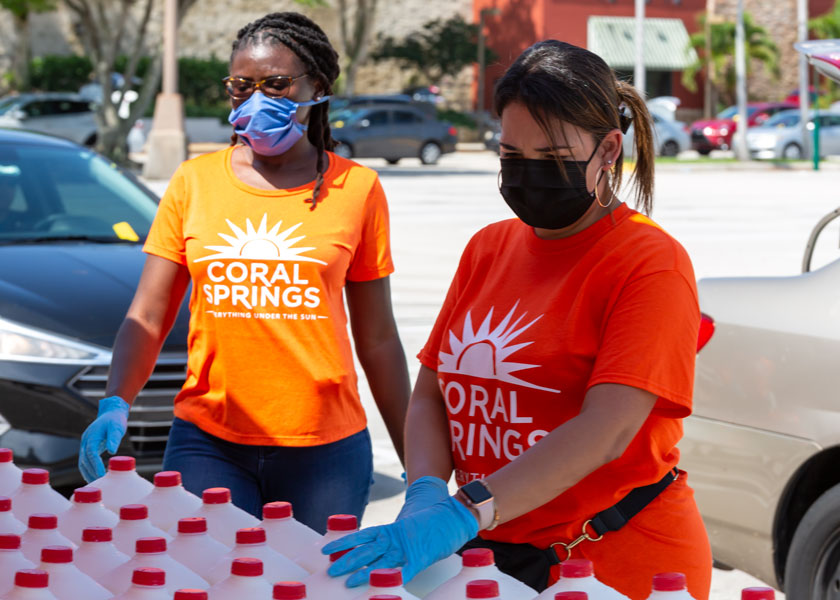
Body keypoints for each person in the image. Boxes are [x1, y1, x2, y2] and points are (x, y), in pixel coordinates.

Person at [322, 40, 712, 599]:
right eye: (511, 155)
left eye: (550, 159)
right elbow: (432, 392)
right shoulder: (488, 248)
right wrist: (427, 492)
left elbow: (608, 430)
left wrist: (467, 510)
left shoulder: (650, 263)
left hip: (614, 562)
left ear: (608, 151)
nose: (527, 175)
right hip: (491, 560)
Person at [77, 11, 410, 532]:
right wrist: (116, 401)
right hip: (208, 442)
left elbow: (379, 339)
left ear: (316, 87)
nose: (256, 100)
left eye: (276, 84)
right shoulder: (193, 182)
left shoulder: (359, 189)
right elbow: (149, 312)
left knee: (310, 588)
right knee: (211, 581)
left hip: (325, 449)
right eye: (240, 87)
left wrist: (422, 465)